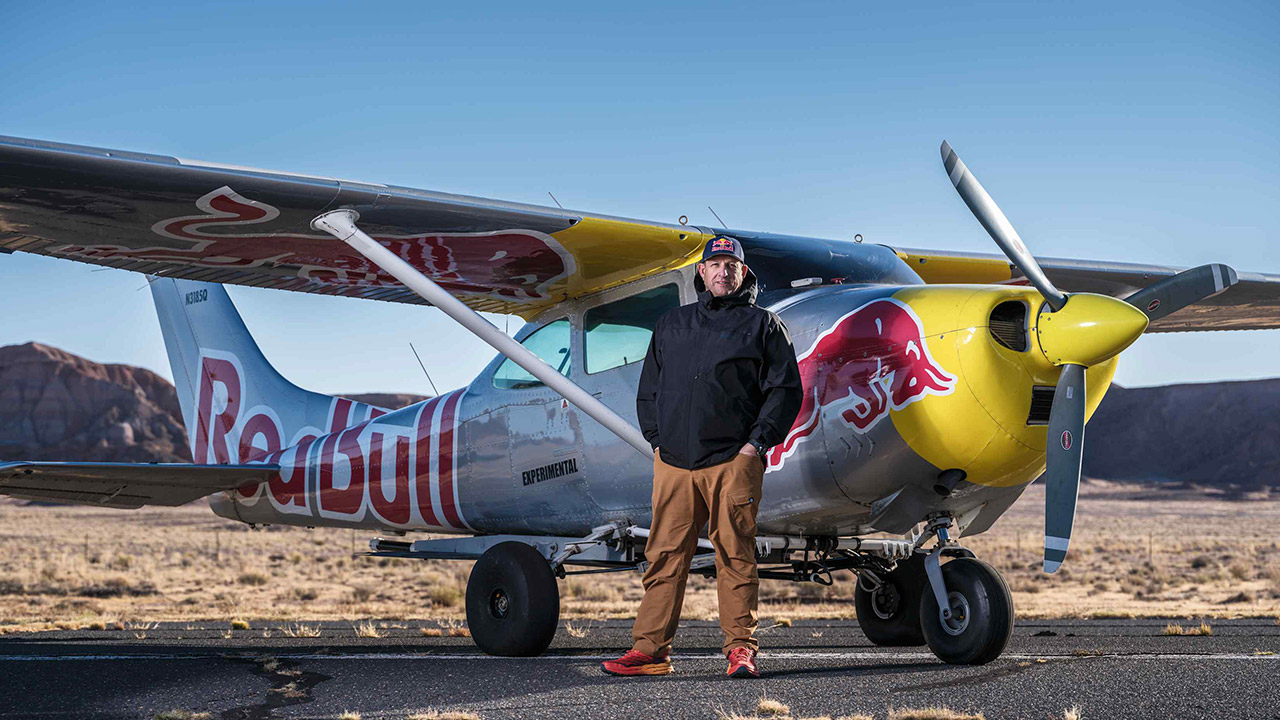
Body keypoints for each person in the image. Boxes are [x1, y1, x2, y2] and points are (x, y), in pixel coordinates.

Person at [602, 235, 802, 679]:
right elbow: (649, 389)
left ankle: (740, 650)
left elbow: (786, 391)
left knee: (735, 555)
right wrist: (657, 441)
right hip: (673, 463)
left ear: (742, 273)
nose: (722, 272)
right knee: (665, 555)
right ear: (702, 273)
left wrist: (754, 446)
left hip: (733, 461)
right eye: (715, 265)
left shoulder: (763, 325)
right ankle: (650, 651)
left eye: (731, 265)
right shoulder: (672, 324)